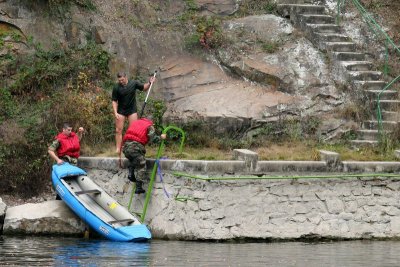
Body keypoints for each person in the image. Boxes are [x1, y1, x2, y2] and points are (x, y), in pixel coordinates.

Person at [112, 72, 156, 153]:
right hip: (121, 111)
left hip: (132, 110)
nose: (121, 82)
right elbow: (114, 101)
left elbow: (144, 88)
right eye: (119, 80)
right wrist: (115, 112)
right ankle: (118, 149)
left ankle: (131, 148)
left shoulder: (133, 83)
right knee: (118, 130)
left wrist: (150, 82)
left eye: (122, 80)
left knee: (133, 130)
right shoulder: (116, 87)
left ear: (126, 77)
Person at [122, 117, 166, 194]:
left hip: (125, 146)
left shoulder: (136, 122)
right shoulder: (149, 126)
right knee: (141, 165)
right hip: (135, 147)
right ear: (152, 122)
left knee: (134, 159)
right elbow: (154, 139)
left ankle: (131, 172)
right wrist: (161, 137)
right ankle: (138, 187)